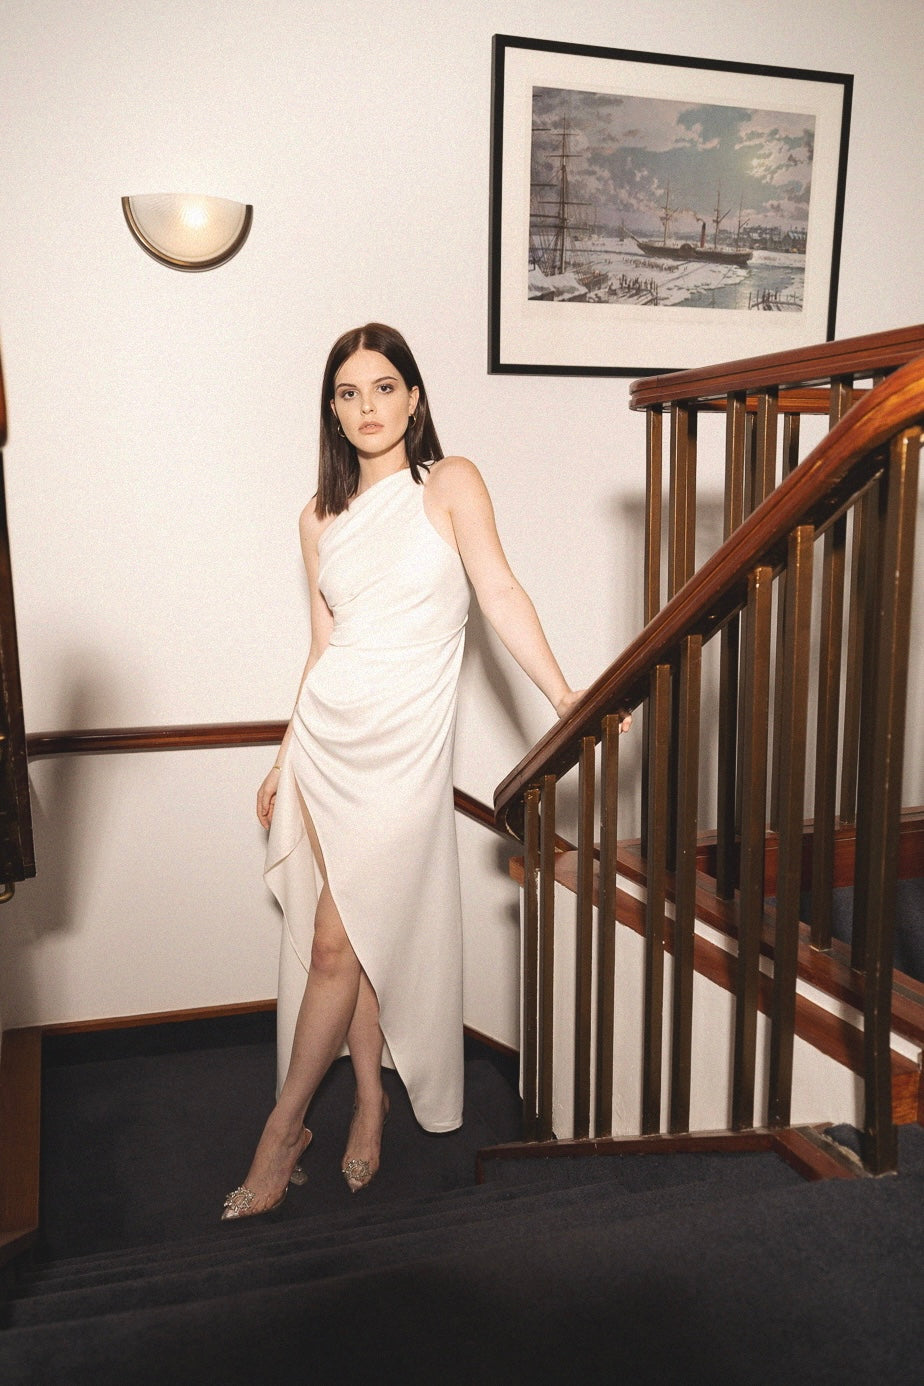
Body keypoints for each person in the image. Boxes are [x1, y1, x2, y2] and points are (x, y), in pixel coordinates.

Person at [221, 323, 630, 1219]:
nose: (367, 406)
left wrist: (567, 696)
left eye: (383, 387)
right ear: (331, 410)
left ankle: (281, 1130)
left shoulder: (449, 484)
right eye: (347, 393)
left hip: (403, 755)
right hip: (327, 741)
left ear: (413, 396)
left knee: (340, 942)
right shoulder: (317, 517)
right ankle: (366, 1103)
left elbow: (501, 592)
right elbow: (321, 647)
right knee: (352, 939)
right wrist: (285, 752)